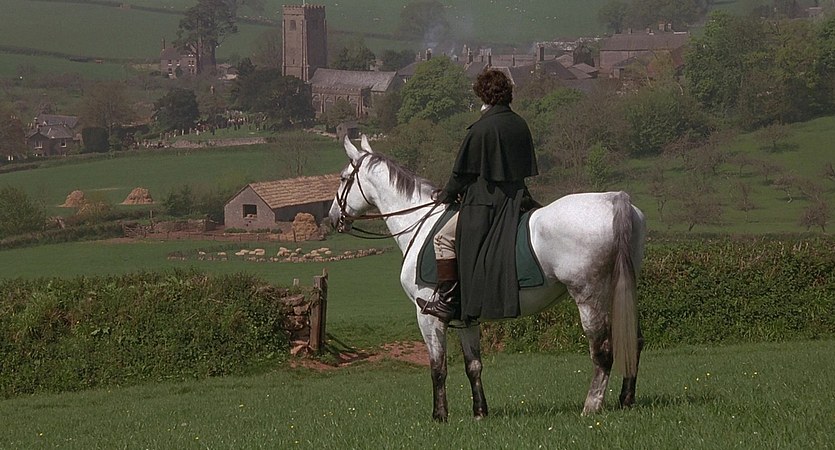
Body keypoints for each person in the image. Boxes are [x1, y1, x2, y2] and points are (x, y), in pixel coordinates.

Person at [417, 69, 539, 324]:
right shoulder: (520, 124)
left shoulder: (481, 129)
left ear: (483, 95)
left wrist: (446, 195)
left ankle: (448, 302)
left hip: (486, 203)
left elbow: (462, 174)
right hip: (518, 199)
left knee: (443, 238)